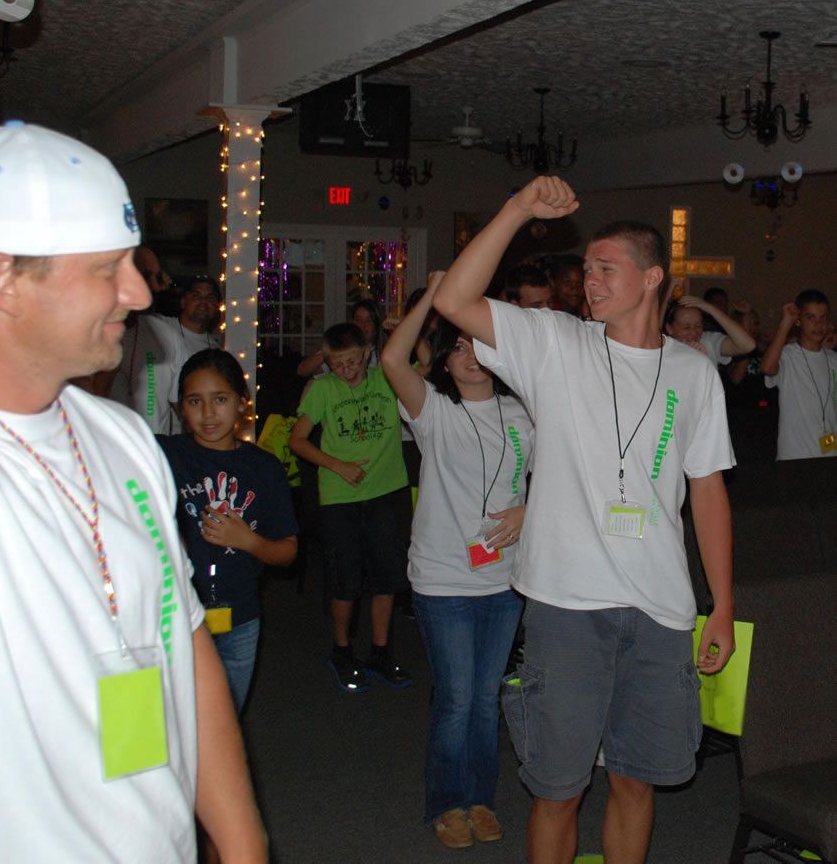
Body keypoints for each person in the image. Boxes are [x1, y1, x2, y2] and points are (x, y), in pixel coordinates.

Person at [0, 69, 265, 863]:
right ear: (3, 279)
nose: (139, 293)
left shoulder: (119, 436)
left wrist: (244, 850)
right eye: (107, 268)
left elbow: (182, 652)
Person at [433, 176, 736, 864]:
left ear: (652, 276)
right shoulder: (554, 343)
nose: (589, 280)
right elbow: (454, 299)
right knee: (557, 788)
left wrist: (720, 606)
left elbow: (708, 491)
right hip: (567, 607)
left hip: (659, 609)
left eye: (606, 268)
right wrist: (513, 210)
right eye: (586, 268)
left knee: (635, 781)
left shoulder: (692, 374)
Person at [381, 271, 533, 850]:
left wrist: (530, 510)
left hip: (505, 579)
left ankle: (480, 799)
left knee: (486, 696)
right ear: (446, 359)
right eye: (460, 346)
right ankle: (447, 801)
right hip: (444, 580)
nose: (471, 356)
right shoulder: (433, 413)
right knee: (456, 698)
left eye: (480, 345)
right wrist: (432, 298)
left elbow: (567, 476)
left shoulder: (524, 415)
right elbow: (395, 359)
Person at [158, 349, 298, 713]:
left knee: (226, 721)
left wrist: (247, 541)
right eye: (194, 402)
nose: (207, 414)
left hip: (240, 615)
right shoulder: (165, 454)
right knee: (177, 720)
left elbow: (287, 550)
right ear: (180, 408)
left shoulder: (264, 468)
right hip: (176, 617)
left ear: (241, 402)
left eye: (219, 399)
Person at [288, 323, 410, 692]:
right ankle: (341, 650)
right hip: (340, 498)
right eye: (338, 364)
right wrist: (337, 465)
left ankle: (380, 649)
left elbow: (424, 361)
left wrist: (403, 327)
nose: (347, 371)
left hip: (385, 492)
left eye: (353, 362)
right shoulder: (324, 389)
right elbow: (297, 440)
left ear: (367, 354)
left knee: (387, 577)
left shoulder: (386, 379)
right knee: (346, 580)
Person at [109, 244, 186, 433]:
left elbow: (183, 408)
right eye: (145, 276)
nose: (154, 286)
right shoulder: (87, 336)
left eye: (157, 277)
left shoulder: (166, 335)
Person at [761, 289, 836, 460]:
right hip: (795, 456)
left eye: (823, 318)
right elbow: (767, 368)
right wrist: (785, 323)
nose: (818, 324)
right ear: (798, 321)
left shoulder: (833, 359)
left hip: (830, 453)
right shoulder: (787, 355)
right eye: (811, 317)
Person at [296, 298, 385, 378]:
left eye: (368, 320)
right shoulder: (342, 348)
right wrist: (331, 350)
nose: (362, 325)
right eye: (358, 320)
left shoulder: (383, 352)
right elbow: (302, 371)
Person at [663, 295, 755, 365]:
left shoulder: (707, 341)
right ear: (669, 328)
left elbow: (748, 345)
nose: (694, 332)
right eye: (686, 327)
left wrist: (710, 308)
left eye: (698, 326)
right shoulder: (662, 348)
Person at [542, 253, 588, 317]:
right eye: (568, 282)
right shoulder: (550, 311)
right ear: (553, 283)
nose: (574, 288)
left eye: (580, 283)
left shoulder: (586, 309)